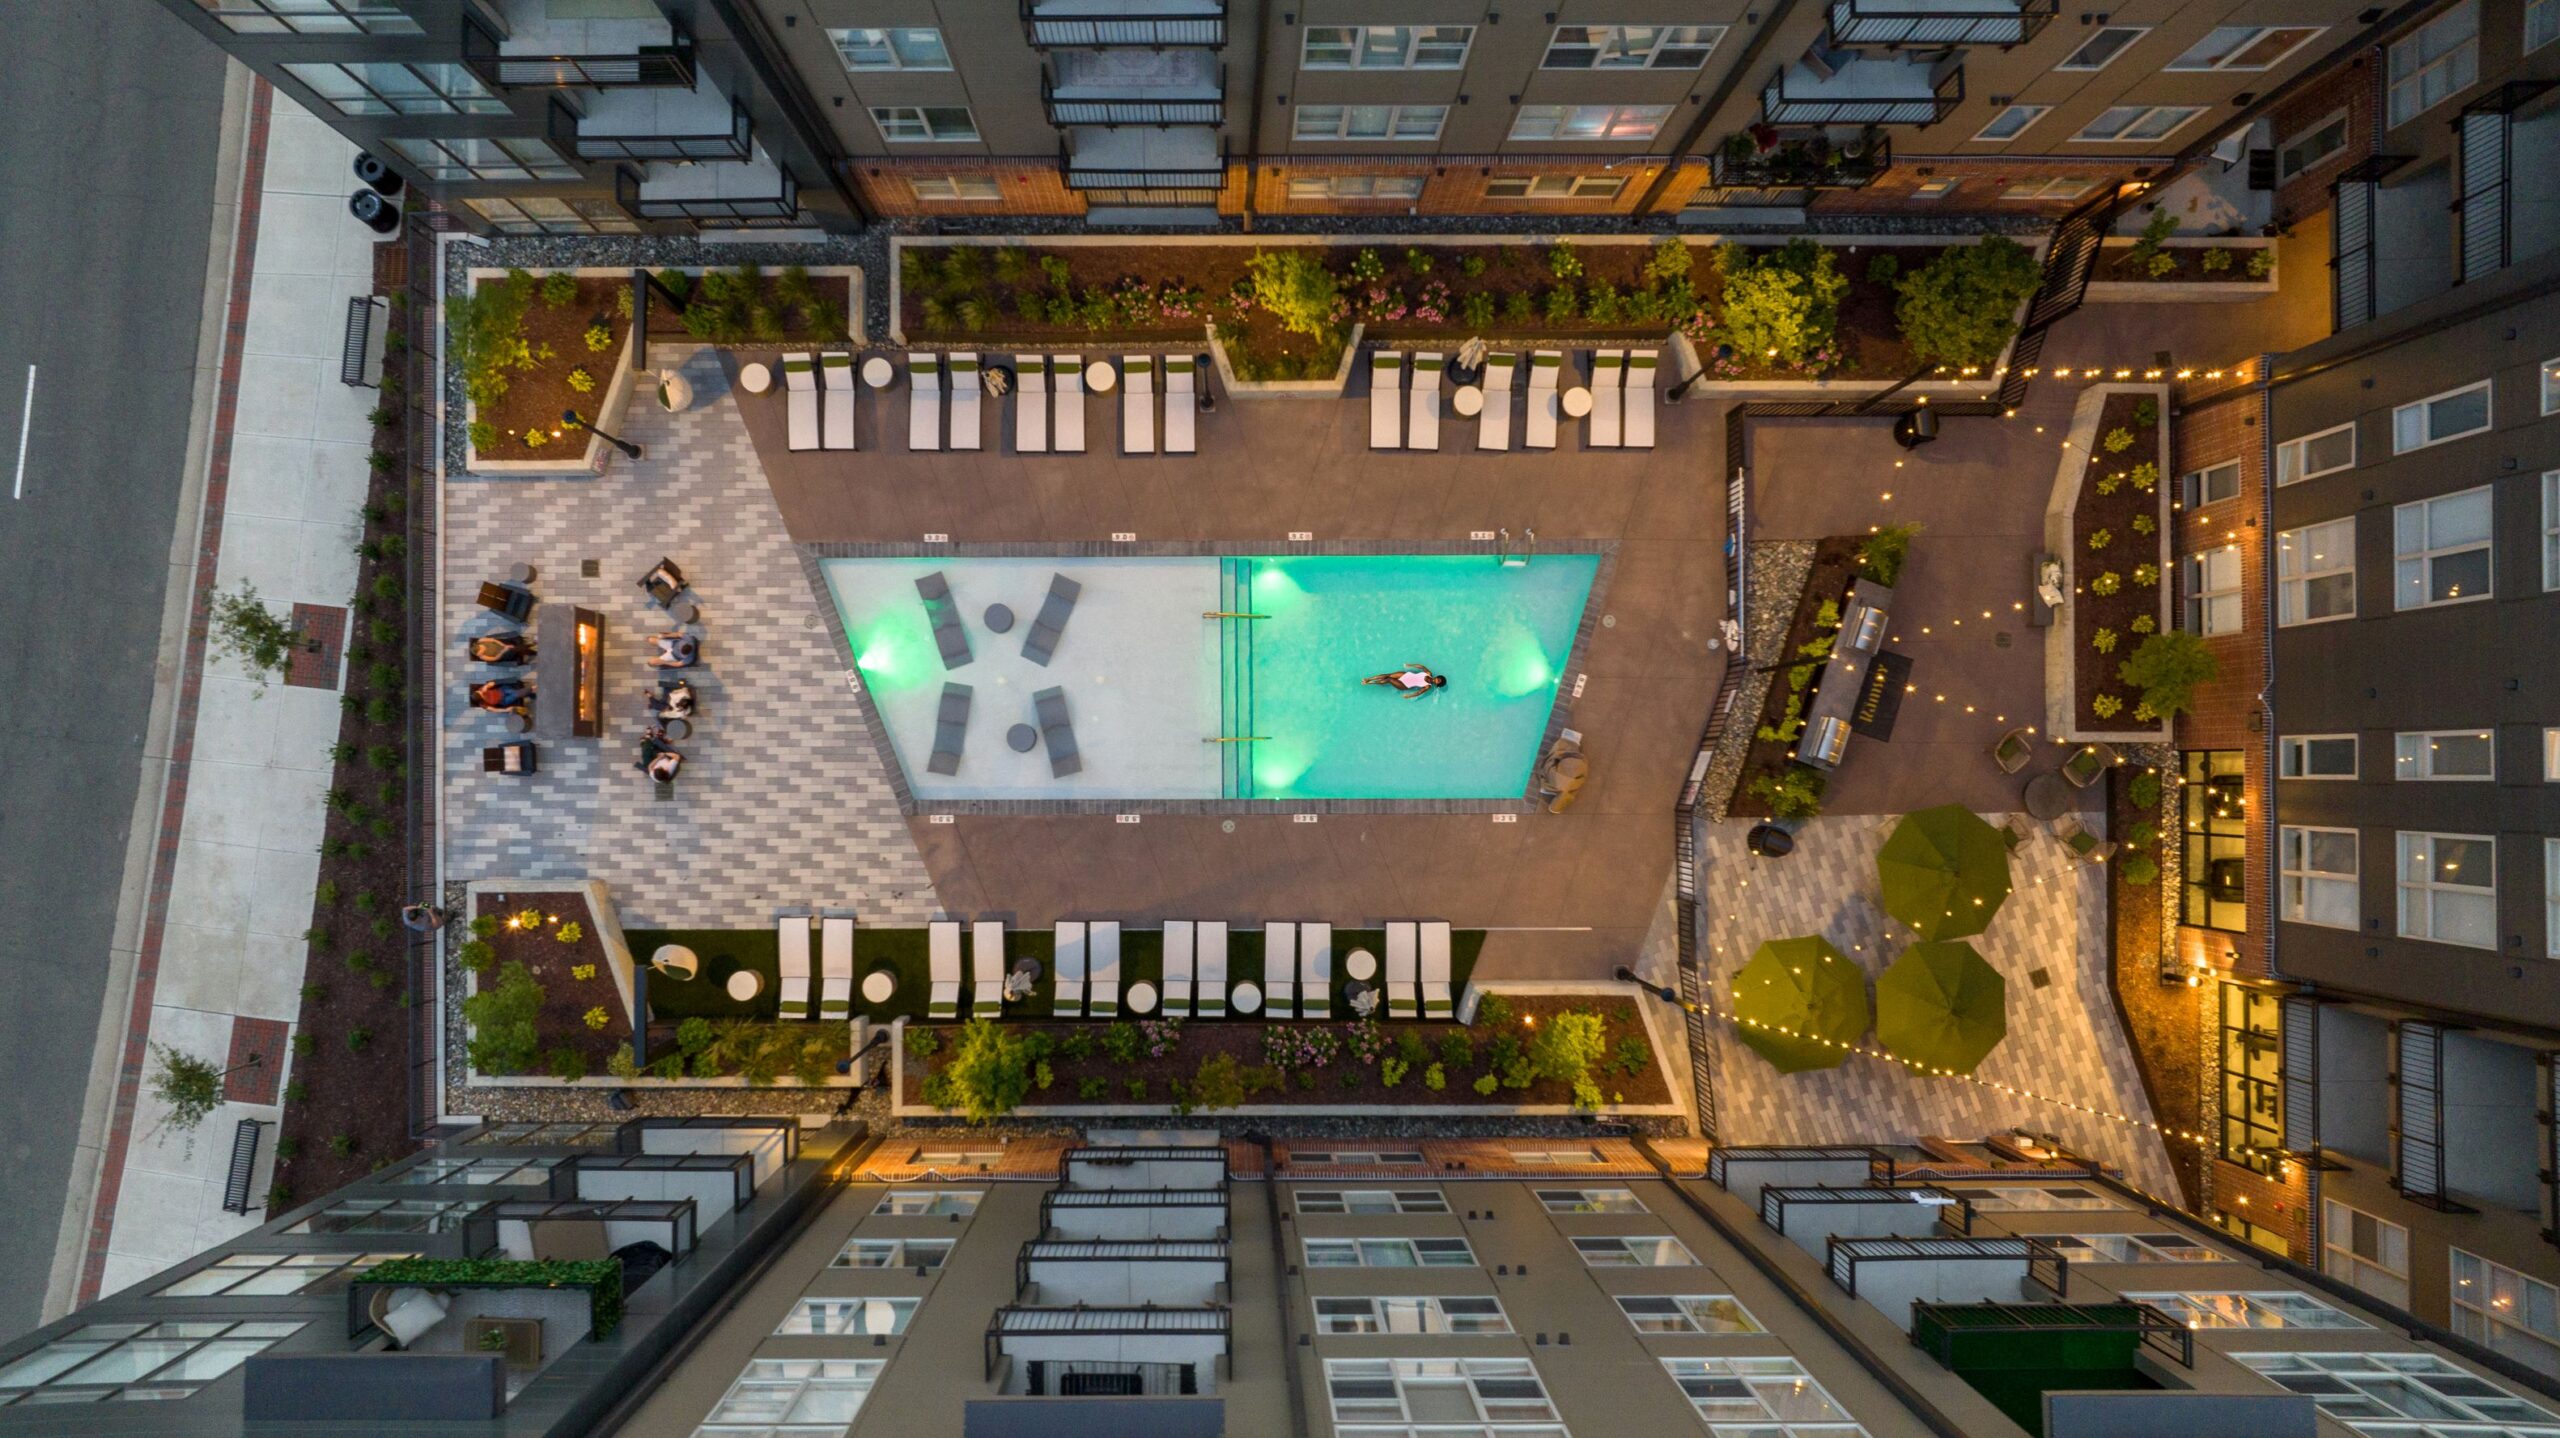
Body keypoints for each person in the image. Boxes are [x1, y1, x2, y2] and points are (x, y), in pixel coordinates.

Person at [1361, 663, 1446, 698]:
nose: (1436, 680)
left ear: (1437, 684)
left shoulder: (1427, 686)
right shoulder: (1429, 673)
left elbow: (1419, 693)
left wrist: (1409, 696)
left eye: (1438, 682)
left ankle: (1369, 683)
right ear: (1437, 677)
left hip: (1405, 685)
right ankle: (1368, 679)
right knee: (1388, 675)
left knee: (1389, 680)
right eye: (1438, 679)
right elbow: (1421, 667)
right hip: (1406, 675)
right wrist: (1410, 665)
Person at [469, 631, 534, 665]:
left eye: (481, 651)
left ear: (479, 647)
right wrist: (504, 651)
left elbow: (493, 640)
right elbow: (495, 658)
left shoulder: (481, 640)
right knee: (513, 648)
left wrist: (503, 645)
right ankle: (532, 646)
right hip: (503, 655)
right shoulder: (482, 656)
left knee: (515, 648)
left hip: (502, 645)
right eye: (480, 654)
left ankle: (532, 649)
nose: (482, 653)